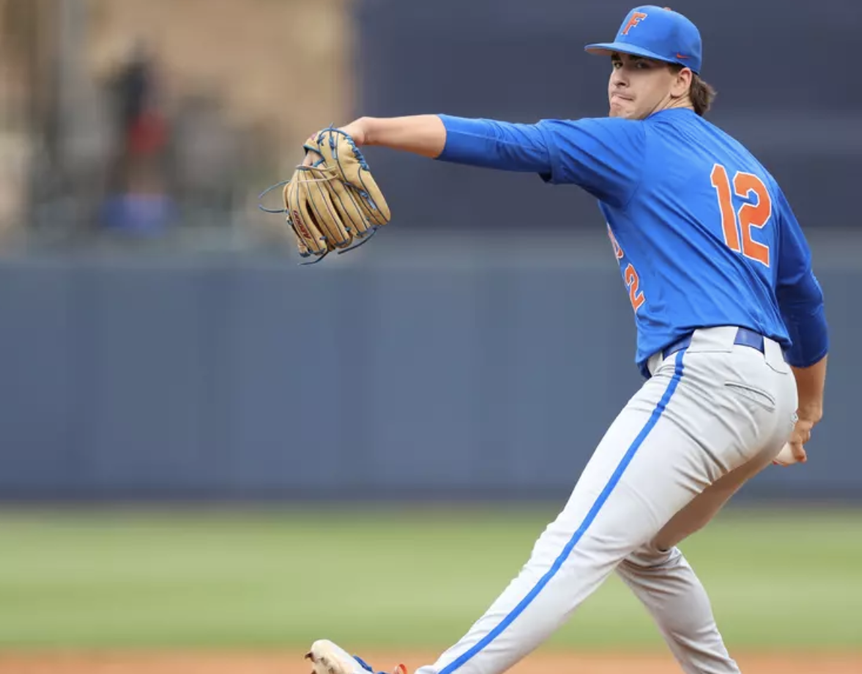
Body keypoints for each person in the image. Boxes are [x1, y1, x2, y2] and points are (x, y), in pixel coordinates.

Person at [306, 6, 829, 674]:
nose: (618, 78)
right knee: (646, 551)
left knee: (573, 546)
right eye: (615, 62)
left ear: (680, 80)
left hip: (708, 379)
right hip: (769, 390)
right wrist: (806, 411)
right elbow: (803, 298)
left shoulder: (635, 144)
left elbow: (505, 142)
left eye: (639, 65)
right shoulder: (752, 171)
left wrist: (372, 129)